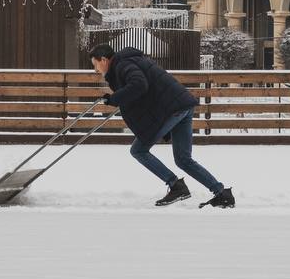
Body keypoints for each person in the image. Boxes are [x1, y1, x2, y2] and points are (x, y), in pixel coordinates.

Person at [90, 44, 234, 208]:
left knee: (138, 150)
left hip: (172, 109)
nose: (96, 69)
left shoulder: (123, 64)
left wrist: (115, 98)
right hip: (181, 105)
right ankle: (221, 193)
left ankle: (176, 186)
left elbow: (139, 85)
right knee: (183, 159)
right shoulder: (128, 62)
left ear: (104, 59)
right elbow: (143, 92)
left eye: (95, 64)